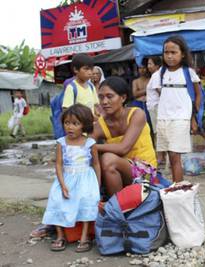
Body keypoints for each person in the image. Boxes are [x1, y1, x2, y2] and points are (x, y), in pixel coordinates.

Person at [42, 104, 100, 252]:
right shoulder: (61, 142)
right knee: (56, 199)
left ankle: (84, 237)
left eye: (75, 123)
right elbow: (59, 165)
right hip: (66, 178)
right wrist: (62, 185)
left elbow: (96, 164)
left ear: (84, 125)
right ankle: (60, 236)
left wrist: (97, 185)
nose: (70, 127)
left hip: (85, 179)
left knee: (87, 200)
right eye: (67, 123)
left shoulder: (90, 143)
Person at [148, 35, 202, 182]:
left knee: (174, 155)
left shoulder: (188, 72)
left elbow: (197, 95)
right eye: (167, 53)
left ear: (182, 54)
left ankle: (178, 188)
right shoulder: (160, 73)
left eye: (174, 52)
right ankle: (174, 188)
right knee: (167, 157)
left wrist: (193, 118)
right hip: (163, 118)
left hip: (181, 118)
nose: (170, 56)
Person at [91, 76, 157, 196]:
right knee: (96, 159)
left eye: (110, 96)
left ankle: (118, 206)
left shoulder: (137, 114)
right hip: (121, 170)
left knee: (107, 159)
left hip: (145, 171)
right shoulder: (101, 124)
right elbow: (84, 146)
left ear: (123, 98)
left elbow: (123, 148)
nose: (104, 102)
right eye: (101, 97)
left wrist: (94, 147)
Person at [62, 53, 100, 118]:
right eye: (86, 69)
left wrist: (97, 113)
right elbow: (66, 110)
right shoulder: (71, 88)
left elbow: (95, 105)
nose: (90, 72)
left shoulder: (91, 86)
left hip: (90, 125)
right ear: (76, 70)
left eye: (91, 69)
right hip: (79, 126)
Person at [145, 56, 166, 164]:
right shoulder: (158, 75)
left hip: (156, 106)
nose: (148, 66)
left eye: (150, 64)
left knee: (158, 131)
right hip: (155, 106)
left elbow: (159, 91)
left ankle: (160, 157)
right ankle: (161, 156)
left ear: (157, 65)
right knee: (158, 131)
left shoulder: (156, 75)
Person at [130, 59, 153, 133]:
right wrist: (147, 90)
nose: (142, 70)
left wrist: (140, 91)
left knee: (151, 124)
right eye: (140, 68)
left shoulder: (151, 79)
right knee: (139, 125)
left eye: (143, 68)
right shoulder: (135, 81)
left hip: (149, 104)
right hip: (138, 103)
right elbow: (135, 94)